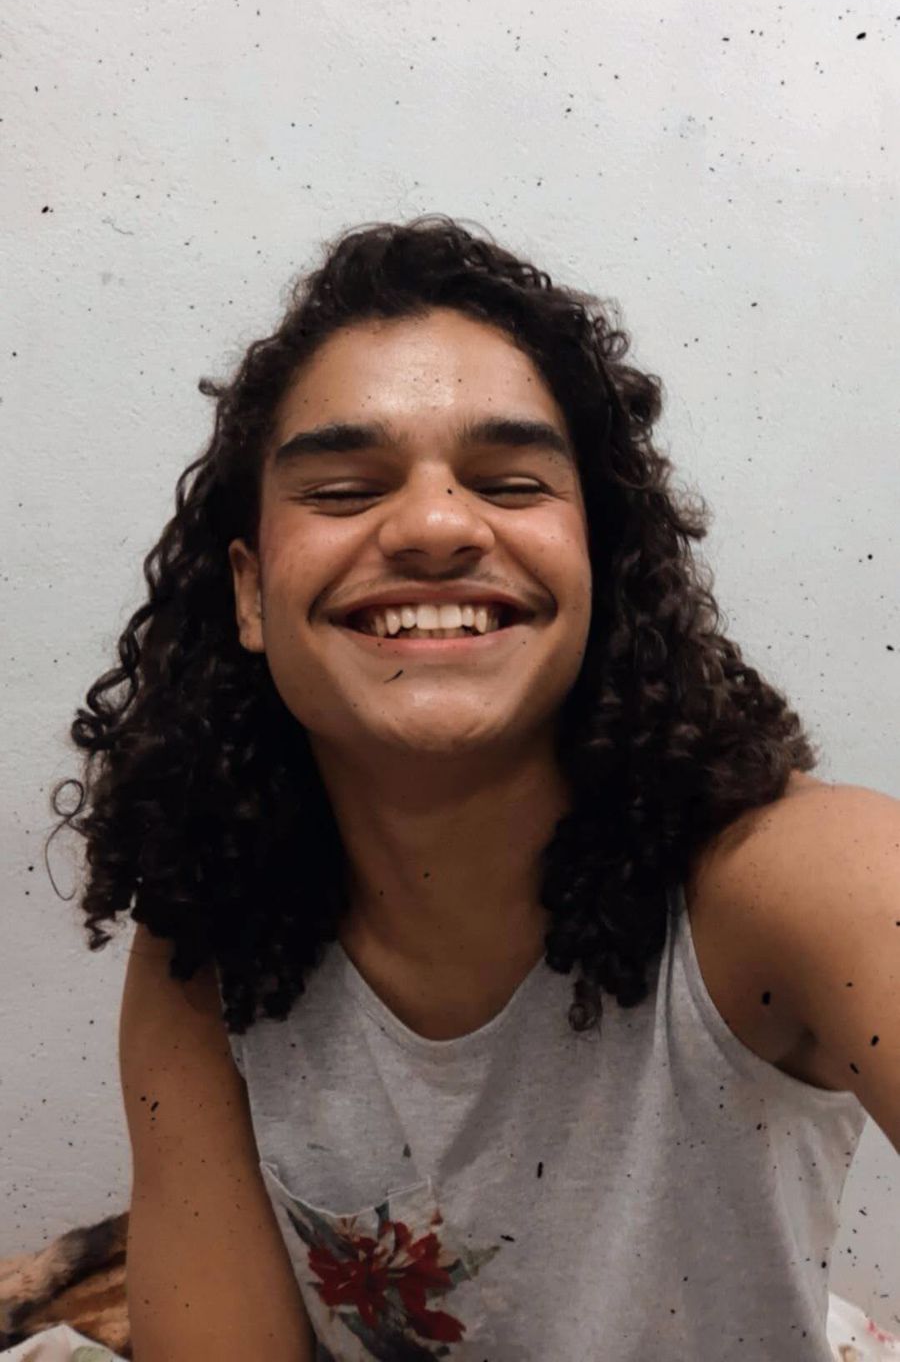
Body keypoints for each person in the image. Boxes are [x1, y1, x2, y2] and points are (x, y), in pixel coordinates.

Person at [51, 215, 899, 1361]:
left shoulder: (802, 881)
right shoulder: (206, 949)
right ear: (250, 595)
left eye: (508, 482)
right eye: (342, 489)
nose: (438, 525)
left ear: (598, 563)